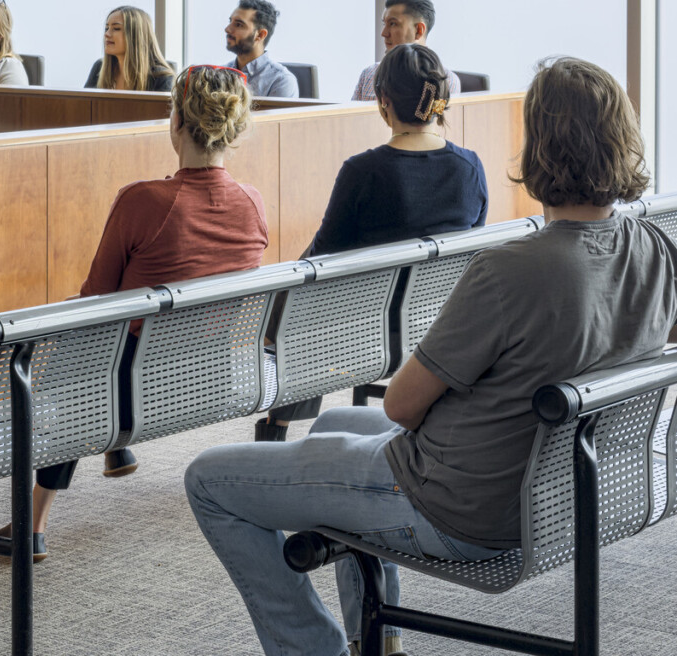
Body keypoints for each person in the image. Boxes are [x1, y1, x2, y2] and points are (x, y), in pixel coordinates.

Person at [185, 55, 677, 656]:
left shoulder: (511, 269)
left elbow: (400, 405)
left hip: (463, 509)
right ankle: (380, 639)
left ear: (542, 145)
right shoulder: (654, 246)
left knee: (208, 478)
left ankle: (313, 649)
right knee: (338, 420)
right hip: (568, 488)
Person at [0, 64, 268, 560]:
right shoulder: (252, 204)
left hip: (128, 383)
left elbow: (96, 297)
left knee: (73, 357)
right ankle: (112, 446)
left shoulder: (144, 200)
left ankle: (33, 521)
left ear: (176, 123)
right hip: (210, 374)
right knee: (99, 358)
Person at [254, 42, 488, 441]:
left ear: (383, 101)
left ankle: (278, 424)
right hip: (440, 318)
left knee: (297, 292)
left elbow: (325, 255)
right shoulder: (470, 166)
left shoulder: (363, 170)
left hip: (364, 325)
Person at [352, 0, 461, 101]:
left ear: (418, 30)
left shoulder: (446, 81)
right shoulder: (370, 74)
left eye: (393, 24)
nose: (384, 33)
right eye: (385, 24)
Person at [84, 6, 174, 92]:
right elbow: (85, 106)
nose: (107, 34)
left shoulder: (163, 78)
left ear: (136, 36)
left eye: (116, 28)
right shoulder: (99, 67)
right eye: (106, 28)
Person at [225, 0, 298, 98]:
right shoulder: (219, 74)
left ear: (260, 35)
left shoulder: (281, 81)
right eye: (230, 22)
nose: (227, 29)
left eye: (238, 25)